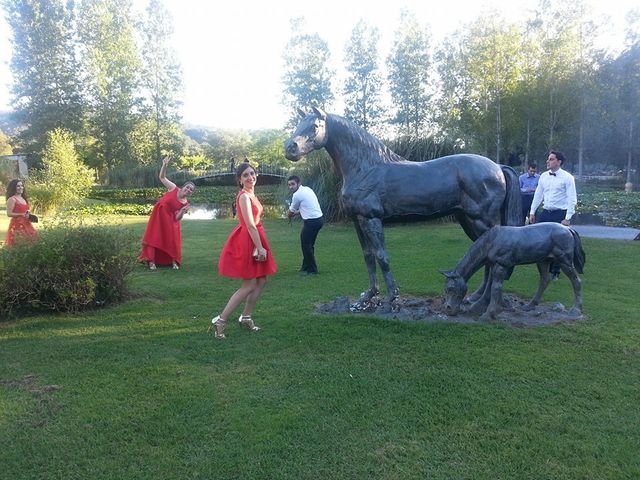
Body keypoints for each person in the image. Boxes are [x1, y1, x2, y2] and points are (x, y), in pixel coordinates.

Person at [210, 162, 277, 339]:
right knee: (248, 285)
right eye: (245, 175)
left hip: (256, 238)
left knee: (261, 280)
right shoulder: (244, 197)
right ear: (240, 180)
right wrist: (260, 247)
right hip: (249, 240)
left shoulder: (251, 194)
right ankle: (220, 321)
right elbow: (250, 224)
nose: (250, 177)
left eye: (252, 173)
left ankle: (246, 316)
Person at [138, 157, 195, 270]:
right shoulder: (173, 188)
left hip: (171, 220)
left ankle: (172, 261)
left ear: (191, 193)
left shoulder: (185, 203)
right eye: (187, 187)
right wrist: (164, 164)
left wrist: (183, 212)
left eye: (191, 190)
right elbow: (162, 177)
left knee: (171, 239)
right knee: (153, 236)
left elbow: (177, 218)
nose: (188, 190)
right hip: (158, 215)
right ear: (183, 187)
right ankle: (151, 261)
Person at [529, 150, 577, 280]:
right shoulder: (544, 176)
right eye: (548, 159)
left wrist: (567, 218)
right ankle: (543, 268)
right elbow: (538, 194)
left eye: (551, 159)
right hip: (546, 212)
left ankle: (555, 271)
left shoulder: (567, 177)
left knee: (559, 244)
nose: (547, 161)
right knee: (539, 240)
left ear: (559, 161)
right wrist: (532, 212)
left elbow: (572, 198)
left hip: (559, 213)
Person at [287, 175, 324, 275]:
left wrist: (289, 215)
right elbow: (306, 207)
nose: (291, 187)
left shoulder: (297, 195)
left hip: (311, 222)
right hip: (319, 220)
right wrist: (296, 213)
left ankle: (312, 270)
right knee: (309, 245)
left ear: (299, 183)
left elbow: (290, 211)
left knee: (306, 245)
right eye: (289, 185)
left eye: (293, 184)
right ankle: (305, 267)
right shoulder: (307, 189)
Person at [4, 179, 38, 247]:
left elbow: (25, 211)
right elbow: (9, 213)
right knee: (18, 242)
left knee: (31, 241)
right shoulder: (12, 199)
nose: (21, 187)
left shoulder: (23, 199)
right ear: (14, 188)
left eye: (21, 186)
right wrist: (21, 214)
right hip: (17, 224)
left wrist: (29, 215)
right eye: (18, 186)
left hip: (26, 223)